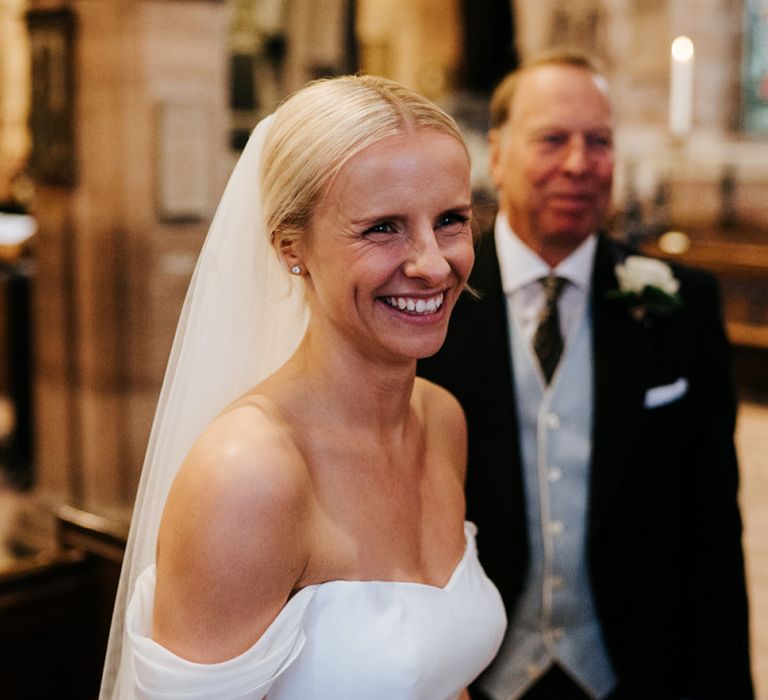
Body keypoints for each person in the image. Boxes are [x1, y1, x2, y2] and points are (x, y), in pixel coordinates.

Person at [99, 74, 506, 700]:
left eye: (450, 220)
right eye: (382, 228)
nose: (432, 263)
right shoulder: (250, 475)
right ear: (292, 246)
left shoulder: (441, 418)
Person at [419, 50, 753, 699]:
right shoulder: (433, 305)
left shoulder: (681, 305)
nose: (579, 164)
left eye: (598, 141)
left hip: (633, 667)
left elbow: (712, 529)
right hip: (477, 674)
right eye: (553, 140)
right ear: (498, 153)